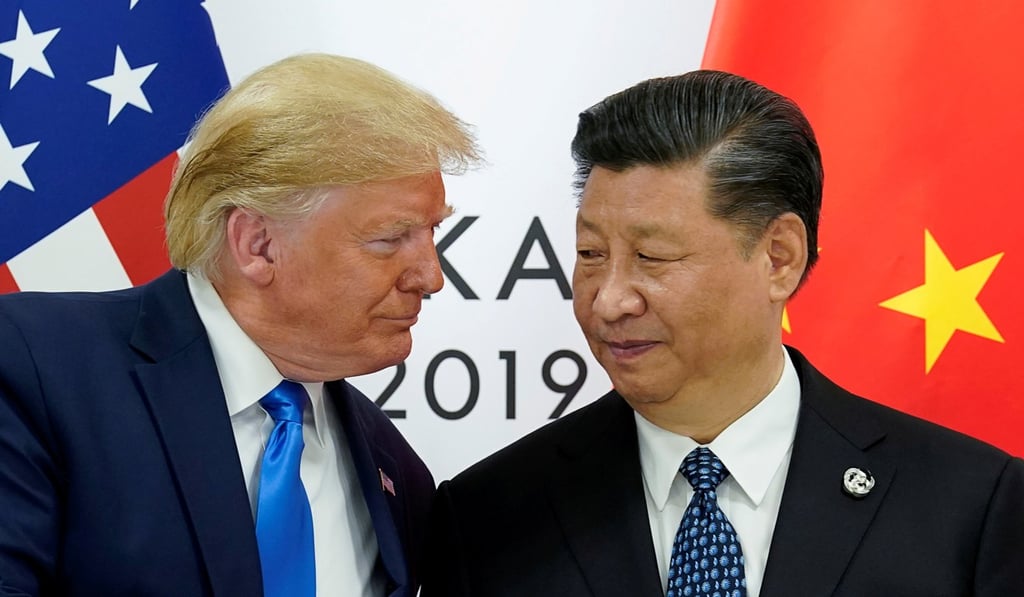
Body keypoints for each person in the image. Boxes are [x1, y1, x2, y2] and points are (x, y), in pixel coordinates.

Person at [421, 70, 1024, 596]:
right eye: (591, 254)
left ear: (779, 257)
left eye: (652, 257)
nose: (609, 300)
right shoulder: (489, 516)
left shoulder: (972, 506)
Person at [0, 53, 479, 596]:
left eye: (432, 233)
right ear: (258, 245)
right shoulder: (33, 371)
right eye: (390, 239)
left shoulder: (398, 471)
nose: (431, 277)